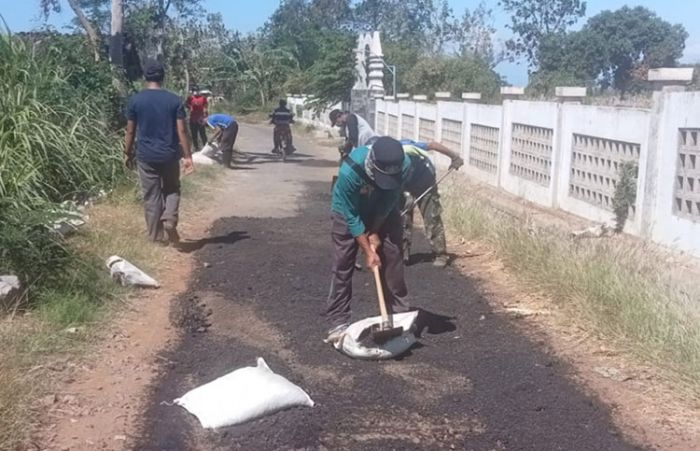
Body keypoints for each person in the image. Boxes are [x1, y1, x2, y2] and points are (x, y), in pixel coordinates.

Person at [325, 136, 413, 343]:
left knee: (392, 256)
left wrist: (375, 231)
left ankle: (399, 314)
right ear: (372, 164)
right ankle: (338, 320)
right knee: (343, 263)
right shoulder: (350, 171)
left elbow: (389, 200)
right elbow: (352, 216)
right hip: (347, 210)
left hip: (382, 207)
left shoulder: (405, 165)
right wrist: (368, 250)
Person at [124, 59, 194, 244]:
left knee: (151, 195)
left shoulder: (136, 100)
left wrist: (127, 152)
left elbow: (130, 130)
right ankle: (170, 218)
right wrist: (188, 156)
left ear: (145, 77)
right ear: (163, 77)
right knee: (172, 189)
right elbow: (182, 130)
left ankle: (155, 237)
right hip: (170, 155)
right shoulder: (174, 100)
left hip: (146, 156)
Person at [400, 140, 464, 268]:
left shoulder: (408, 148)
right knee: (402, 215)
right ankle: (402, 254)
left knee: (432, 216)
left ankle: (440, 254)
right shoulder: (384, 159)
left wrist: (454, 157)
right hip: (402, 181)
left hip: (424, 177)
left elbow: (432, 145)